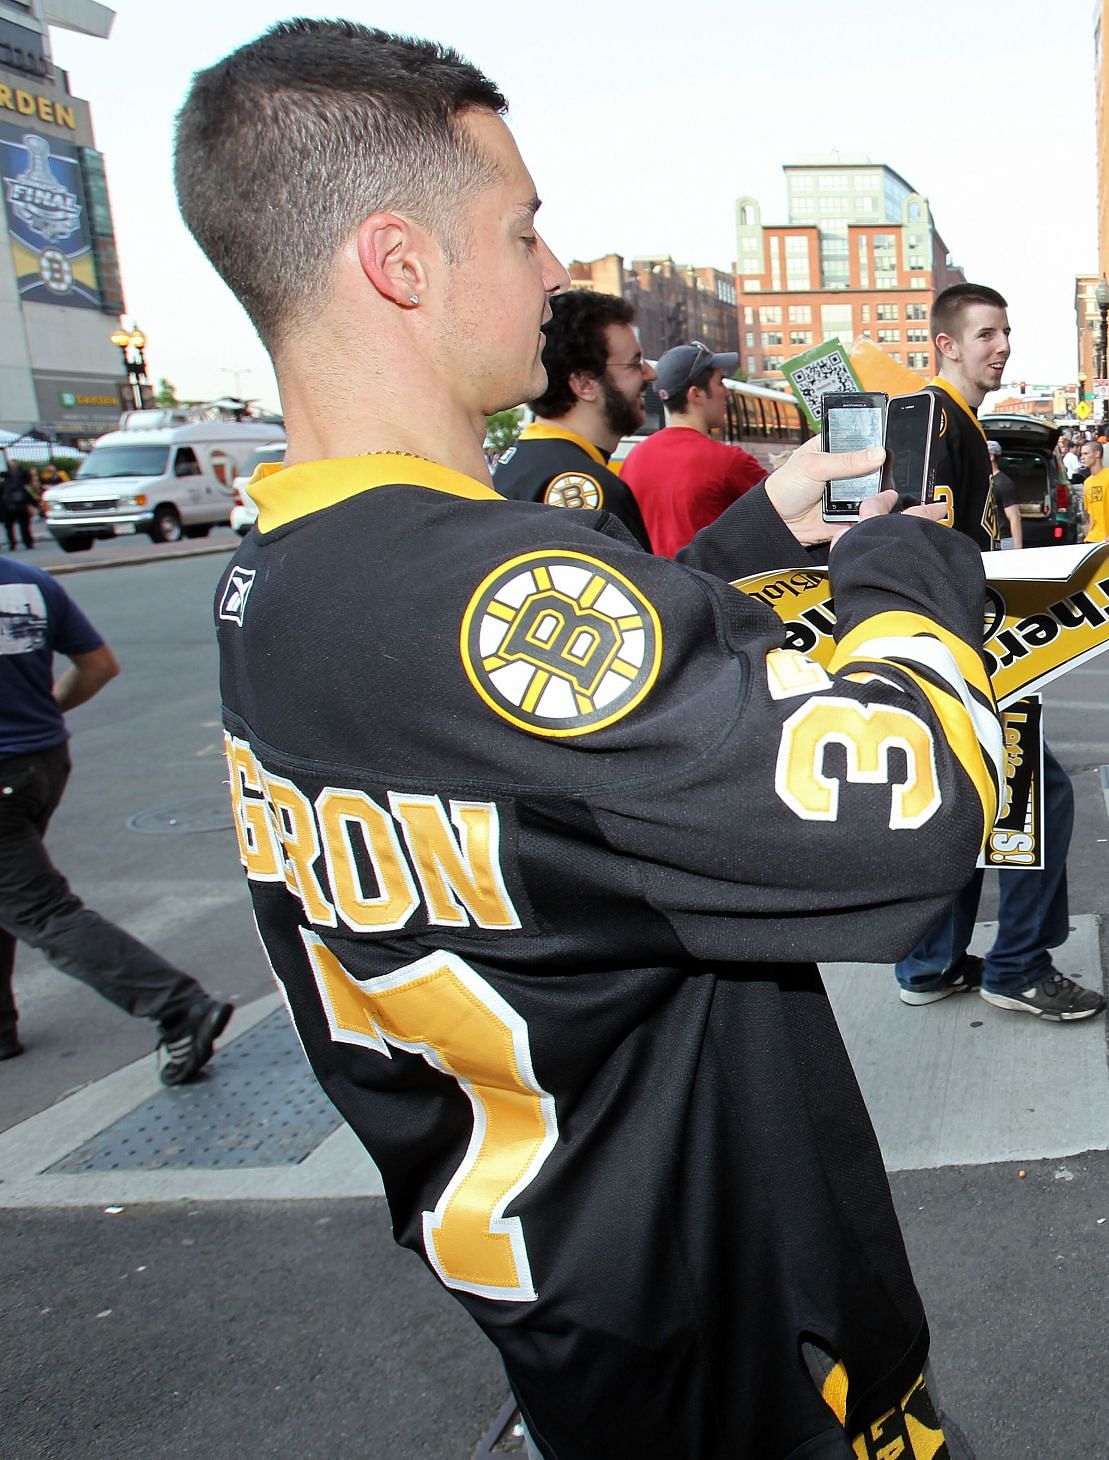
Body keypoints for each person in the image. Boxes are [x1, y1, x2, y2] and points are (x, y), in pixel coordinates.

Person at [176, 22, 998, 1457]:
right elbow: (916, 814)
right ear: (400, 262)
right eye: (524, 225)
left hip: (559, 1288)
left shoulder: (280, 580)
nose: (554, 270)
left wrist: (757, 534)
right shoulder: (489, 592)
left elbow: (552, 767)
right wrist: (903, 563)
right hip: (728, 1335)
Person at [892, 282, 1104, 1021]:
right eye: (985, 334)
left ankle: (932, 962)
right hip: (955, 656)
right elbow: (915, 544)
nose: (1002, 345)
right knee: (1037, 796)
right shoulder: (928, 417)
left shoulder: (964, 425)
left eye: (1006, 331)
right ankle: (1016, 964)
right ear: (946, 344)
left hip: (968, 647)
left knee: (966, 805)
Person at [0, 555, 234, 1075]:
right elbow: (99, 665)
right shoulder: (29, 582)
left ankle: (177, 1006)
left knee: (38, 907)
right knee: (11, 889)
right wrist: (45, 712)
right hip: (40, 760)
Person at [492, 288, 654, 545]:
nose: (650, 374)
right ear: (585, 384)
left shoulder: (520, 464)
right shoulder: (591, 490)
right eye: (635, 364)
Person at [619, 341, 767, 556]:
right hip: (714, 586)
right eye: (720, 382)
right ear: (695, 394)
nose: (727, 393)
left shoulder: (634, 458)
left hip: (650, 585)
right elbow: (790, 514)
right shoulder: (729, 462)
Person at [1078, 438, 1109, 545]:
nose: (1082, 457)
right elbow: (1090, 513)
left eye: (1086, 453)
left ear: (1097, 454)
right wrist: (1088, 535)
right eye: (1081, 454)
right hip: (1094, 537)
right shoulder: (1087, 482)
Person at [989, 439, 1022, 549]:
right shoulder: (986, 481)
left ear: (991, 456)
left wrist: (1017, 550)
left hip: (1004, 541)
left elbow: (1014, 517)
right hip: (990, 539)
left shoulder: (1003, 483)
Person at [1, 462, 36, 550]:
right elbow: (28, 494)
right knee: (24, 526)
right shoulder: (21, 483)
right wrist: (32, 504)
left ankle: (12, 543)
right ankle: (28, 542)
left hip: (7, 507)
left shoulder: (3, 484)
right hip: (21, 506)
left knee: (9, 527)